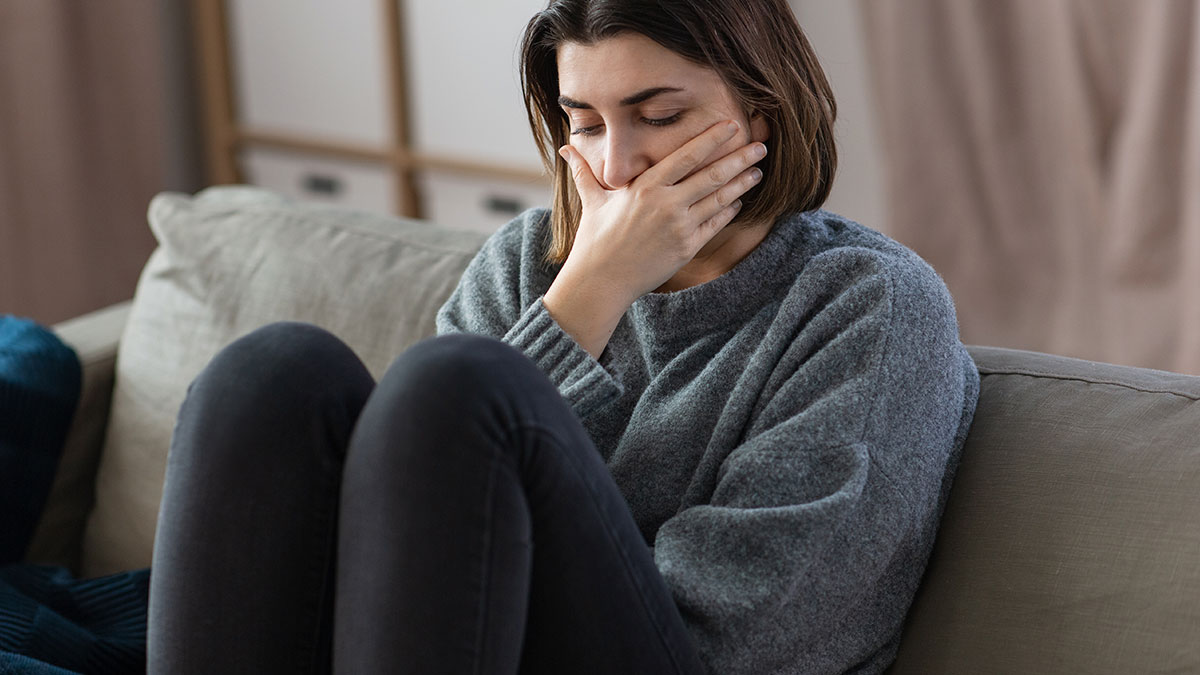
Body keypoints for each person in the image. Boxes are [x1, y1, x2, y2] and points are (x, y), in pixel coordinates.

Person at [147, 0, 979, 673]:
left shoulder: (868, 303)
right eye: (584, 122)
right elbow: (414, 502)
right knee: (270, 372)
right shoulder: (526, 261)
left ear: (759, 111)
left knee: (458, 384)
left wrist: (603, 286)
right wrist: (587, 294)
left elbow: (747, 638)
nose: (615, 167)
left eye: (657, 115)